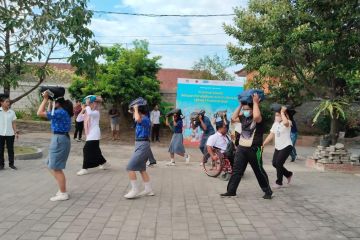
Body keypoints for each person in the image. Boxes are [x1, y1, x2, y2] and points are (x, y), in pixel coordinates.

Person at [221, 93, 273, 199]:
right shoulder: (243, 118)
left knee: (258, 170)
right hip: (241, 148)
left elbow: (257, 116)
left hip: (254, 149)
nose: (245, 111)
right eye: (244, 109)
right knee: (237, 170)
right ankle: (231, 191)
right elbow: (233, 117)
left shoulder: (257, 119)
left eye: (247, 109)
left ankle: (268, 191)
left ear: (252, 109)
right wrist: (240, 105)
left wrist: (255, 102)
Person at [37, 90, 73, 201]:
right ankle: (62, 188)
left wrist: (45, 99)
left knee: (56, 168)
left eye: (54, 102)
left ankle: (63, 193)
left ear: (58, 103)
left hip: (59, 139)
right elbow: (49, 113)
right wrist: (50, 102)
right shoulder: (61, 111)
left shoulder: (60, 112)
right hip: (60, 138)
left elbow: (39, 113)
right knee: (49, 163)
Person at [124, 104, 154, 199]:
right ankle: (148, 189)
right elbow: (135, 117)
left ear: (139, 112)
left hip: (142, 145)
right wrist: (133, 109)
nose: (133, 114)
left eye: (135, 112)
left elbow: (137, 119)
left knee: (130, 167)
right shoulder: (142, 118)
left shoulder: (144, 119)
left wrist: (136, 108)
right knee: (141, 169)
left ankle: (135, 190)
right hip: (140, 144)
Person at [77, 95, 110, 176]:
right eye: (91, 103)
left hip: (94, 134)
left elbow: (90, 113)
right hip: (90, 134)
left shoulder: (96, 112)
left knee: (86, 149)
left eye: (93, 103)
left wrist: (87, 106)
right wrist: (82, 109)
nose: (93, 104)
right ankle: (104, 163)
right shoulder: (87, 112)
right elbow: (78, 119)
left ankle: (85, 168)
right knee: (96, 151)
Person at [263, 106, 293, 188]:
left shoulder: (288, 122)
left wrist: (283, 112)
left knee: (279, 163)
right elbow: (271, 135)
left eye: (278, 115)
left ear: (283, 115)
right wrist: (264, 144)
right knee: (274, 163)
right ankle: (288, 174)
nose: (276, 116)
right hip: (278, 147)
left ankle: (279, 182)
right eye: (276, 115)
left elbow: (286, 123)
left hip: (286, 146)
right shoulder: (275, 124)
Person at [0, 97, 19, 170]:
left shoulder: (12, 112)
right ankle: (1, 165)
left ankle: (11, 164)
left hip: (10, 134)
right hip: (0, 134)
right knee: (0, 150)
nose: (8, 103)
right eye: (6, 101)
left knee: (10, 149)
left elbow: (14, 123)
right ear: (1, 103)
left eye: (9, 102)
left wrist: (16, 132)